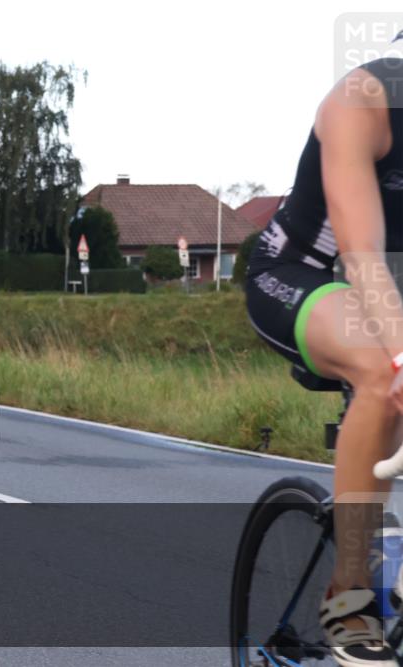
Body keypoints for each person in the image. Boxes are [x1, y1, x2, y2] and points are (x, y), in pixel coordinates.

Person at [245, 36, 403, 666]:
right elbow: (362, 258)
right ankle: (350, 598)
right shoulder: (360, 103)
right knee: (376, 366)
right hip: (302, 275)